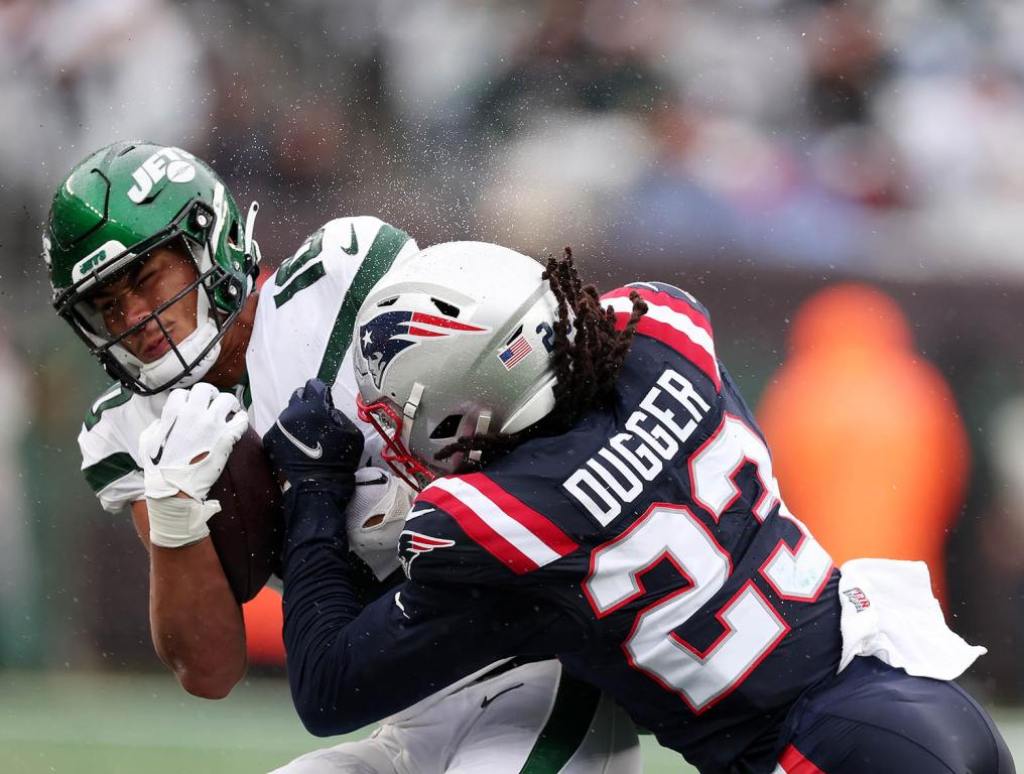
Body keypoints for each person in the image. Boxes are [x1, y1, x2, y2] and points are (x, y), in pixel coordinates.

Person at [264, 241, 1015, 773]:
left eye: (398, 404)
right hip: (911, 695)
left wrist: (316, 495)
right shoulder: (666, 329)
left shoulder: (502, 524)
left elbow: (330, 688)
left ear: (464, 407)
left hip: (815, 750)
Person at [43, 142, 640, 773]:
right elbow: (209, 670)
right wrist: (173, 511)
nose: (134, 317)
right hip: (411, 704)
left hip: (530, 654)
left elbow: (526, 410)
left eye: (145, 278)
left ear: (208, 244)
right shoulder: (128, 428)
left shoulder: (334, 284)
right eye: (106, 305)